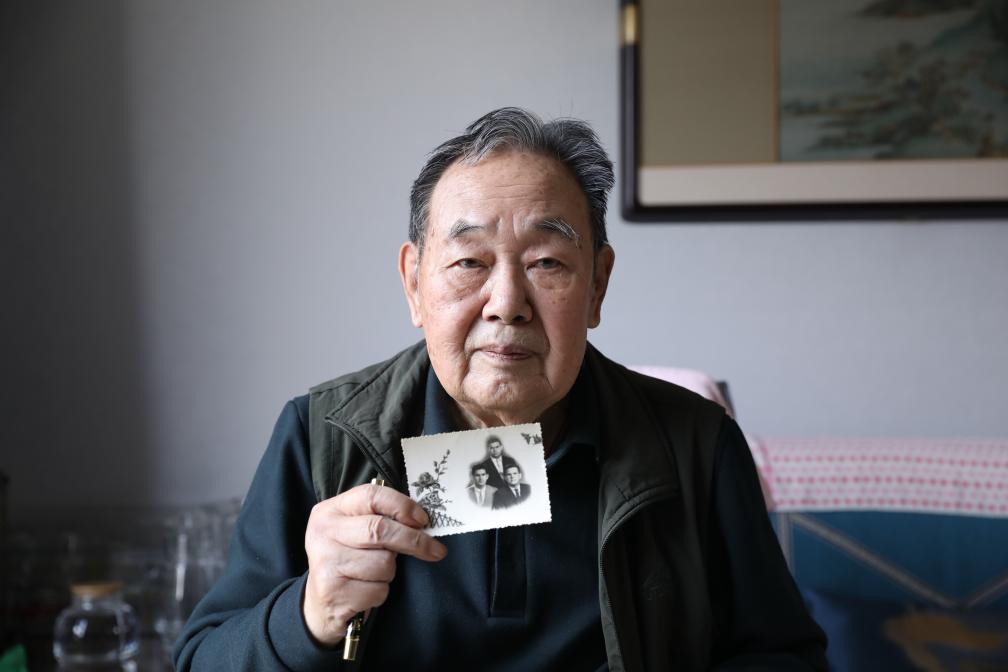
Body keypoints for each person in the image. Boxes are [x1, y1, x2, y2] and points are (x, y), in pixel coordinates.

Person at [174, 107, 827, 671]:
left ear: (597, 285)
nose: (507, 303)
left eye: (547, 262)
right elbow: (201, 657)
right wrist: (309, 614)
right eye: (469, 262)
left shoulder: (698, 445)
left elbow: (786, 656)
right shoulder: (320, 437)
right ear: (413, 283)